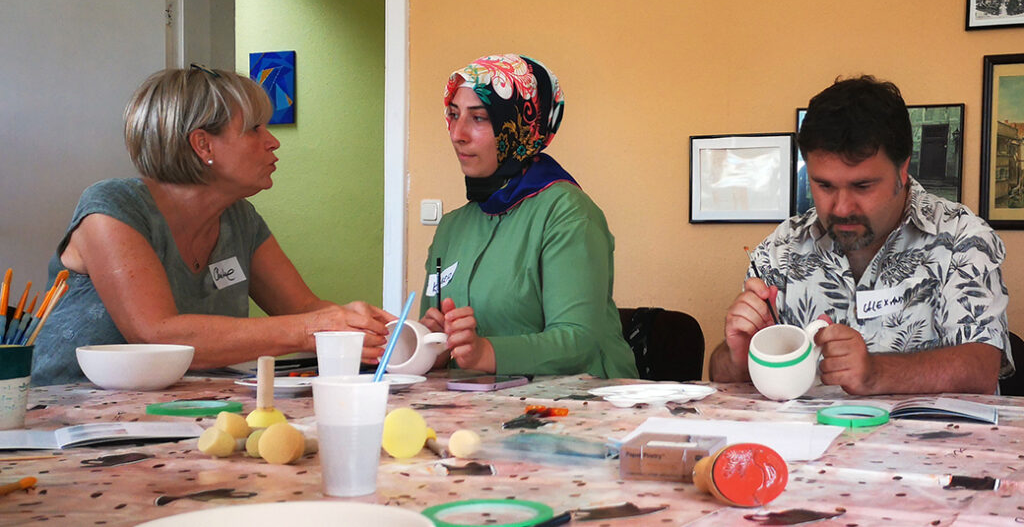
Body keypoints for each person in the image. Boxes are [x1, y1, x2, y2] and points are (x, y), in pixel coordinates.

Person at [33, 65, 394, 385]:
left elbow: (302, 309)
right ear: (203, 144)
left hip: (180, 413)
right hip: (65, 416)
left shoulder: (241, 219)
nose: (272, 142)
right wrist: (313, 329)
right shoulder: (113, 208)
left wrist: (365, 325)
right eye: (254, 129)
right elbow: (155, 334)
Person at [709, 75, 1011, 395]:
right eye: (824, 185)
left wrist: (876, 373)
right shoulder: (781, 248)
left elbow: (982, 368)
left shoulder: (961, 238)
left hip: (921, 429)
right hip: (803, 429)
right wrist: (738, 356)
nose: (841, 208)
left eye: (862, 186)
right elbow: (723, 379)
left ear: (902, 170)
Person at [418, 54, 637, 379]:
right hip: (478, 403)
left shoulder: (566, 212)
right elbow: (436, 344)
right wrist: (430, 345)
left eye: (478, 118)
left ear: (519, 126)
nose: (457, 133)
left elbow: (577, 342)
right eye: (453, 114)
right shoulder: (451, 228)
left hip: (580, 401)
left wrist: (483, 352)